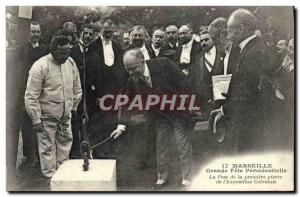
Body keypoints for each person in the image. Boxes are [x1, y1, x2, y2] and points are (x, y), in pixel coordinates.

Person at [110, 48, 194, 190]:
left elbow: (184, 84)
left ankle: (187, 177)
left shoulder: (164, 64)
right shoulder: (133, 79)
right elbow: (126, 101)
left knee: (182, 144)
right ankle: (162, 177)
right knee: (161, 145)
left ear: (142, 61)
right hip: (159, 115)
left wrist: (189, 107)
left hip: (179, 111)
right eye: (127, 69)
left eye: (134, 68)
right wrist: (121, 126)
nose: (131, 73)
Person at [210, 9, 269, 152]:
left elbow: (247, 92)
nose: (228, 35)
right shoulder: (252, 49)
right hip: (249, 120)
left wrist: (224, 109)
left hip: (252, 123)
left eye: (230, 31)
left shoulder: (253, 53)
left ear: (241, 29)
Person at [24, 34, 82, 178]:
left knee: (65, 146)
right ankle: (50, 179)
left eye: (68, 52)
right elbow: (31, 96)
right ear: (53, 50)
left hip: (65, 117)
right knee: (47, 149)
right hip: (46, 118)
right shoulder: (40, 66)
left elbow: (77, 89)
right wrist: (36, 119)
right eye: (62, 53)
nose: (65, 56)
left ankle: (63, 178)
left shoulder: (70, 63)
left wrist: (73, 107)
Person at [88, 18, 127, 158]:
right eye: (105, 31)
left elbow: (121, 68)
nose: (108, 34)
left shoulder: (117, 47)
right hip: (98, 90)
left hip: (114, 90)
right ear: (100, 30)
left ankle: (111, 151)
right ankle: (98, 151)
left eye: (110, 32)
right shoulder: (93, 46)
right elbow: (90, 70)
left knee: (113, 120)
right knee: (99, 121)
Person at [19, 22, 48, 167]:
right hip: (26, 90)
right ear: (28, 33)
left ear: (40, 34)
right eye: (33, 32)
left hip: (42, 92)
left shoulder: (45, 50)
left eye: (37, 32)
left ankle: (39, 155)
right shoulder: (22, 51)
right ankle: (28, 155)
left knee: (40, 123)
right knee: (26, 123)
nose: (35, 35)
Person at [69, 23, 99, 158]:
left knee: (90, 121)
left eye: (90, 34)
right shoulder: (73, 51)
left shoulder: (94, 51)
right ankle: (75, 151)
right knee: (75, 120)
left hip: (90, 93)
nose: (87, 36)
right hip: (75, 91)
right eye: (85, 33)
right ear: (81, 33)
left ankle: (90, 149)